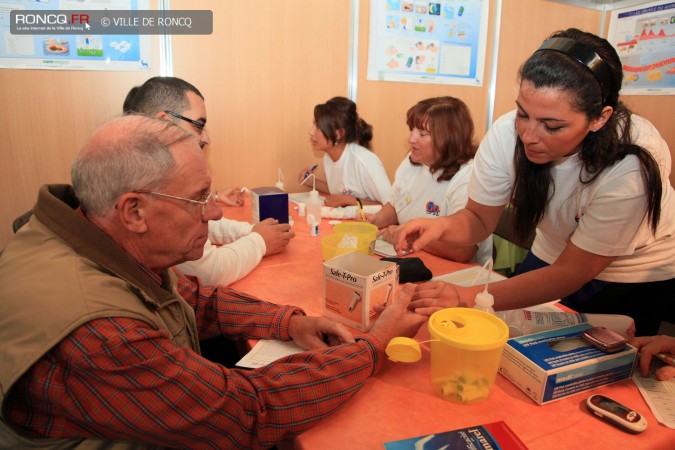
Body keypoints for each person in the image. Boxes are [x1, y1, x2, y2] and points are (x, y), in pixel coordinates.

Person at [0, 115, 426, 449]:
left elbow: (194, 300)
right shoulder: (100, 330)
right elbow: (247, 416)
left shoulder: (97, 238)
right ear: (134, 211)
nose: (215, 212)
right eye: (199, 199)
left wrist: (291, 323)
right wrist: (374, 346)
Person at [394, 28, 675, 336]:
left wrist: (464, 296)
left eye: (551, 126)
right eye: (523, 114)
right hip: (553, 254)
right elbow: (477, 219)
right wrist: (441, 226)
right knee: (511, 339)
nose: (528, 136)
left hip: (630, 274)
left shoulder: (632, 165)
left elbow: (571, 272)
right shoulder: (505, 134)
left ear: (600, 118)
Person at [124, 76, 294, 287]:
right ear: (164, 123)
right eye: (199, 126)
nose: (206, 139)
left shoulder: (150, 169)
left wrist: (250, 231)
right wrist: (260, 241)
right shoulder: (149, 183)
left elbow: (199, 223)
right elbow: (208, 271)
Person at [365, 96, 492, 264]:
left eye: (422, 134)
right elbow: (397, 206)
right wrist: (377, 220)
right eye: (412, 130)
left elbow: (462, 251)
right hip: (418, 259)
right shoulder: (412, 161)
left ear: (448, 138)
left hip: (459, 272)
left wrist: (406, 236)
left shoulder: (468, 177)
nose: (411, 139)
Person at [297, 96, 392, 207]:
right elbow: (340, 191)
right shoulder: (329, 157)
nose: (311, 132)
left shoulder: (364, 161)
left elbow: (391, 208)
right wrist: (312, 182)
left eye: (318, 126)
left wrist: (348, 200)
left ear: (339, 134)